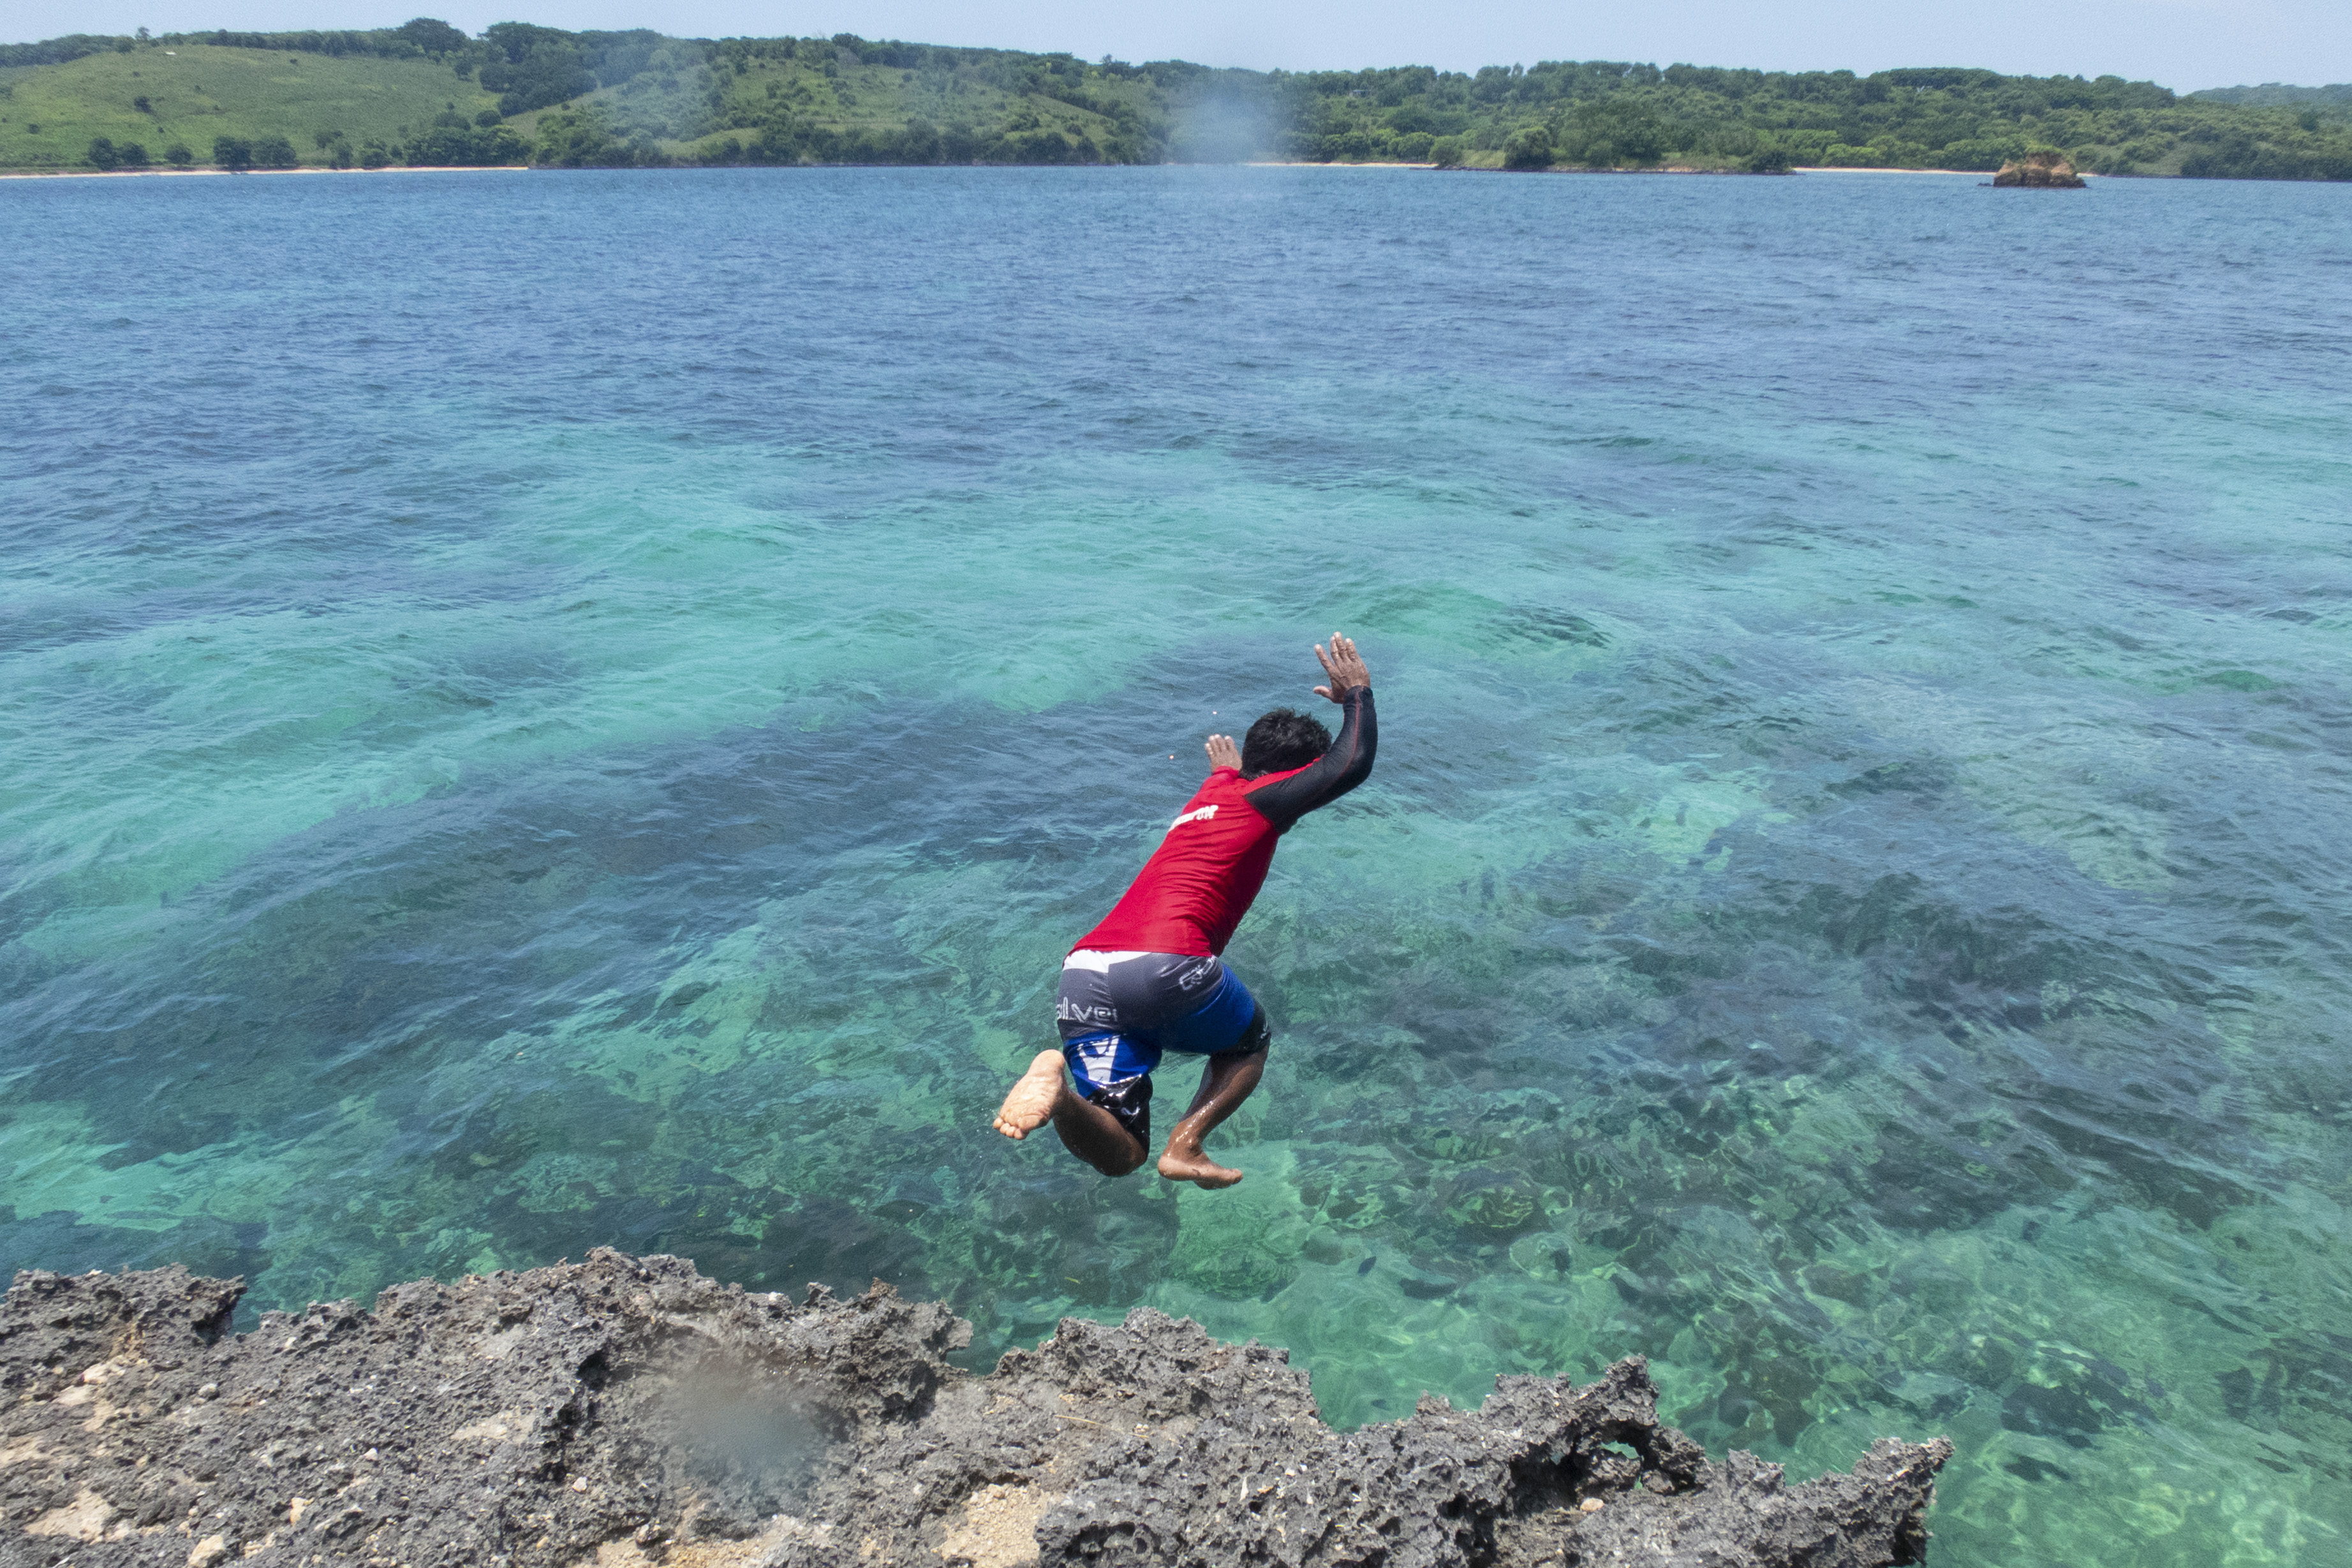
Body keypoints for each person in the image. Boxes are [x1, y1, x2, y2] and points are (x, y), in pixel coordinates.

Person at [993, 635, 1377, 1188]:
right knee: (1248, 1042)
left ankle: (1058, 1096)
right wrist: (1356, 696)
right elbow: (1350, 763)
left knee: (1120, 1155)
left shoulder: (1212, 798)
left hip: (1083, 971)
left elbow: (1230, 776)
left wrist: (1226, 770)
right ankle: (1187, 1144)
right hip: (1165, 962)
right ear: (1295, 778)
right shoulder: (1261, 799)